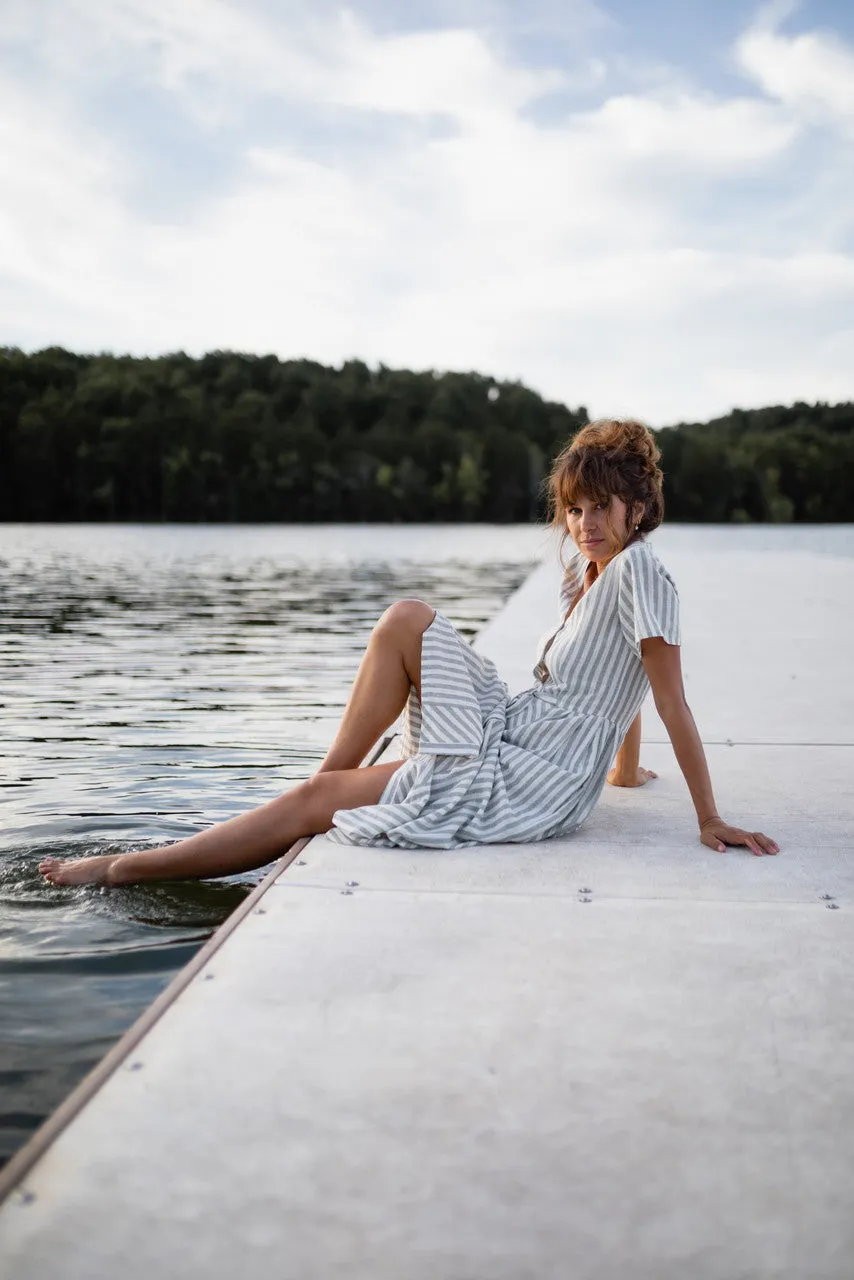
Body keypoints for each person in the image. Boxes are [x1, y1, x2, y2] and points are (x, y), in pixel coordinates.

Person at [38, 418, 778, 888]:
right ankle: (325, 786)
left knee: (316, 802)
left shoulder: (642, 569)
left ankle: (125, 868)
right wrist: (621, 771)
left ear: (639, 508)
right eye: (574, 509)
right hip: (522, 728)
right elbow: (622, 687)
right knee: (405, 619)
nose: (584, 523)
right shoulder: (594, 574)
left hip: (534, 775)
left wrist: (708, 818)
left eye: (599, 508)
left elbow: (668, 694)